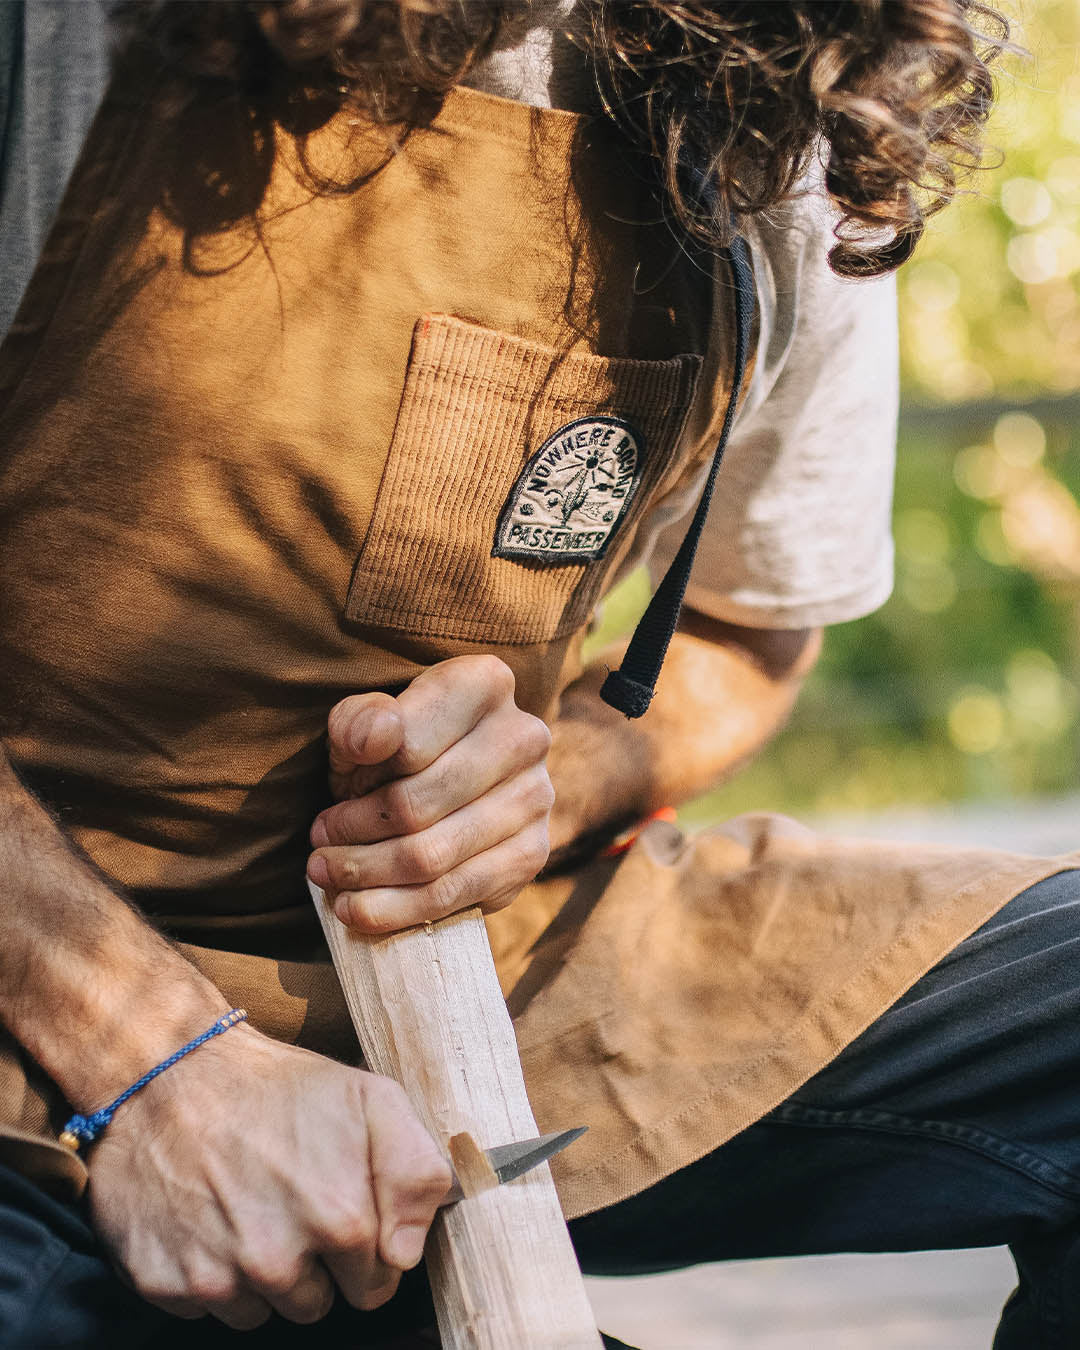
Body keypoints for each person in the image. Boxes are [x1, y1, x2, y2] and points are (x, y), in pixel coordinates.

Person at [0, 3, 1076, 1347]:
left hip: (482, 961)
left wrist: (554, 779)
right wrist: (153, 1058)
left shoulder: (805, 88)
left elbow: (748, 635)